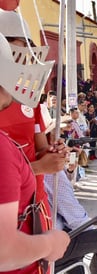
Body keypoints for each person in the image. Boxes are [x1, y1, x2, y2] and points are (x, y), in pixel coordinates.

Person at [0, 25, 69, 274]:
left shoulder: (31, 101)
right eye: (14, 55)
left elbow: (41, 149)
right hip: (9, 210)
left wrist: (55, 153)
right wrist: (41, 167)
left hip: (35, 201)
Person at [44, 167, 97, 274]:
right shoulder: (51, 172)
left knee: (78, 246)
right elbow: (76, 219)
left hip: (42, 242)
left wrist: (69, 172)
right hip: (48, 247)